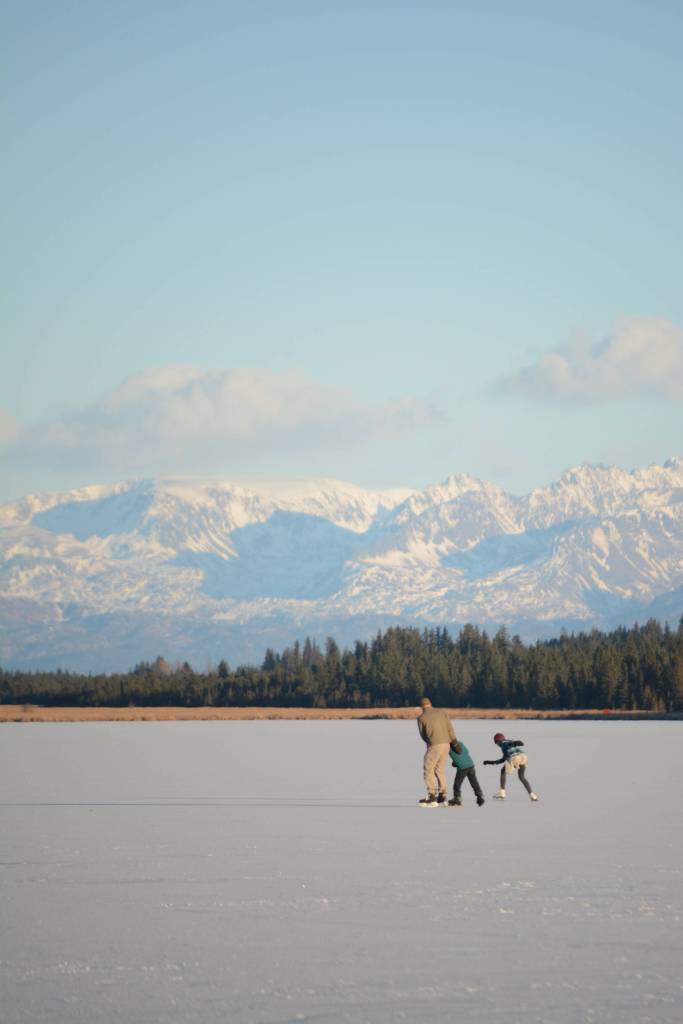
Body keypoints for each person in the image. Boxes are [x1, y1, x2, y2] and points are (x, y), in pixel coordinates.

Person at [416, 696, 455, 806]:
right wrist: (454, 741)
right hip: (446, 744)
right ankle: (443, 794)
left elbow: (423, 735)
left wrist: (430, 743)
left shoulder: (421, 718)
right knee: (440, 769)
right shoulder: (442, 712)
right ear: (430, 703)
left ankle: (432, 795)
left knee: (428, 769)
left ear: (421, 707)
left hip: (434, 745)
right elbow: (450, 728)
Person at [483, 732, 539, 801]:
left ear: (499, 740)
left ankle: (502, 793)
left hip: (515, 758)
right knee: (522, 777)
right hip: (523, 757)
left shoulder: (504, 743)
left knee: (503, 771)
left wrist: (516, 743)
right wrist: (490, 762)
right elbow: (503, 759)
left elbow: (509, 743)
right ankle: (533, 795)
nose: (497, 744)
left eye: (497, 742)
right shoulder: (505, 747)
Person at [448, 738, 485, 807]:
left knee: (457, 784)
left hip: (462, 768)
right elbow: (467, 752)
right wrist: (457, 761)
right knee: (474, 782)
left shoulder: (448, 747)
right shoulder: (461, 744)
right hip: (471, 765)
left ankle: (457, 799)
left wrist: (456, 762)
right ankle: (480, 796)